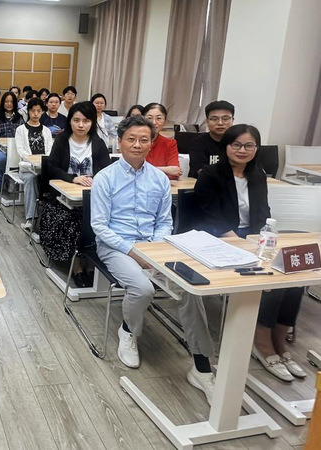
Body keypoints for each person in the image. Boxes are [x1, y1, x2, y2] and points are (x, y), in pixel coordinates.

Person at [92, 115, 216, 403]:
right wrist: (134, 251)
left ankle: (201, 367)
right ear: (119, 142)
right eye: (131, 139)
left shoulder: (159, 179)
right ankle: (128, 331)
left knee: (192, 288)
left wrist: (156, 247)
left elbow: (164, 221)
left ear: (151, 143)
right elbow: (99, 226)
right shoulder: (105, 178)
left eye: (144, 140)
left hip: (154, 246)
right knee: (142, 288)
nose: (137, 145)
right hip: (116, 246)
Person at [194, 124, 307, 382]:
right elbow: (208, 215)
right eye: (236, 144)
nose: (242, 150)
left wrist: (262, 240)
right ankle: (261, 341)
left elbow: (263, 213)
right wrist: (240, 242)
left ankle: (279, 340)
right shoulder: (211, 174)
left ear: (256, 148)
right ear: (226, 147)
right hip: (220, 238)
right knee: (268, 277)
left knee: (293, 278)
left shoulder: (257, 175)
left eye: (249, 145)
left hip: (253, 238)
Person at [40, 101, 110, 287]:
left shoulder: (98, 143)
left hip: (93, 198)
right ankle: (77, 265)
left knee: (99, 220)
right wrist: (73, 178)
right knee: (74, 220)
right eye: (76, 120)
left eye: (86, 121)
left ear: (92, 122)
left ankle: (92, 263)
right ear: (69, 121)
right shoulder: (62, 141)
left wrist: (96, 181)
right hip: (61, 199)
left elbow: (107, 171)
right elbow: (52, 167)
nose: (81, 125)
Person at [14, 98, 53, 232]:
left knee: (53, 180)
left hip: (43, 168)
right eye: (33, 111)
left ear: (42, 112)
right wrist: (34, 160)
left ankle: (48, 218)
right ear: (28, 112)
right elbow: (21, 151)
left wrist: (42, 161)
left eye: (38, 111)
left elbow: (49, 150)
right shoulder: (20, 130)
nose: (36, 114)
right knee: (31, 179)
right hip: (27, 168)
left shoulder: (46, 131)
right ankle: (31, 218)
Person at [188, 100, 235, 178]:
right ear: (207, 121)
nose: (220, 123)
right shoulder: (198, 143)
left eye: (225, 118)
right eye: (214, 119)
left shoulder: (239, 143)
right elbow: (201, 171)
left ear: (232, 120)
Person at [0, 91, 24, 177]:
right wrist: (4, 149)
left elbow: (23, 136)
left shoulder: (20, 118)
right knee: (3, 158)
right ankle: (3, 178)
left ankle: (12, 177)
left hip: (16, 149)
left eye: (11, 102)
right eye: (6, 101)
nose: (9, 104)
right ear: (3, 103)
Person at [142, 102, 181, 180]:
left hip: (162, 185)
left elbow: (175, 172)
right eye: (149, 118)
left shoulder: (170, 143)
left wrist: (146, 170)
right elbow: (133, 171)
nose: (154, 122)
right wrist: (166, 170)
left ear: (165, 121)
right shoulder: (136, 142)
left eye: (158, 118)